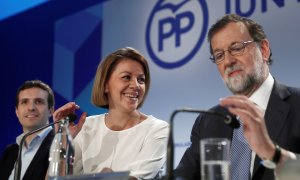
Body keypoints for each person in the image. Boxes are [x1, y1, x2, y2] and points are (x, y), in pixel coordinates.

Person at [175, 14, 300, 180]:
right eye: (219, 55)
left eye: (237, 48)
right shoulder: (208, 121)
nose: (228, 61)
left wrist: (272, 153)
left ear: (263, 49)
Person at [53, 47, 169, 180]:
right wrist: (61, 140)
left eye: (141, 80)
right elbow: (54, 178)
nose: (136, 85)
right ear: (105, 85)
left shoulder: (157, 129)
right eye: (126, 77)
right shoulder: (88, 126)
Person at [0, 80, 55, 180]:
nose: (31, 108)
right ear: (17, 111)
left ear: (51, 110)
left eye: (38, 102)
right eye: (24, 102)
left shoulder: (59, 145)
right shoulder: (10, 152)